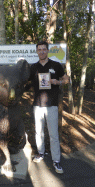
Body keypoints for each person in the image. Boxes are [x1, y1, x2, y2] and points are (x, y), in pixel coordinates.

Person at [28, 41, 69, 174]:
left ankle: (56, 160)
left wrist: (59, 82)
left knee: (53, 135)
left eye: (44, 49)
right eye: (39, 49)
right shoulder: (33, 67)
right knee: (39, 132)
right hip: (37, 105)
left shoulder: (56, 65)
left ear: (48, 50)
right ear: (37, 51)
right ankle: (40, 153)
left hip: (51, 105)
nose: (42, 52)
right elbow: (26, 81)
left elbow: (66, 79)